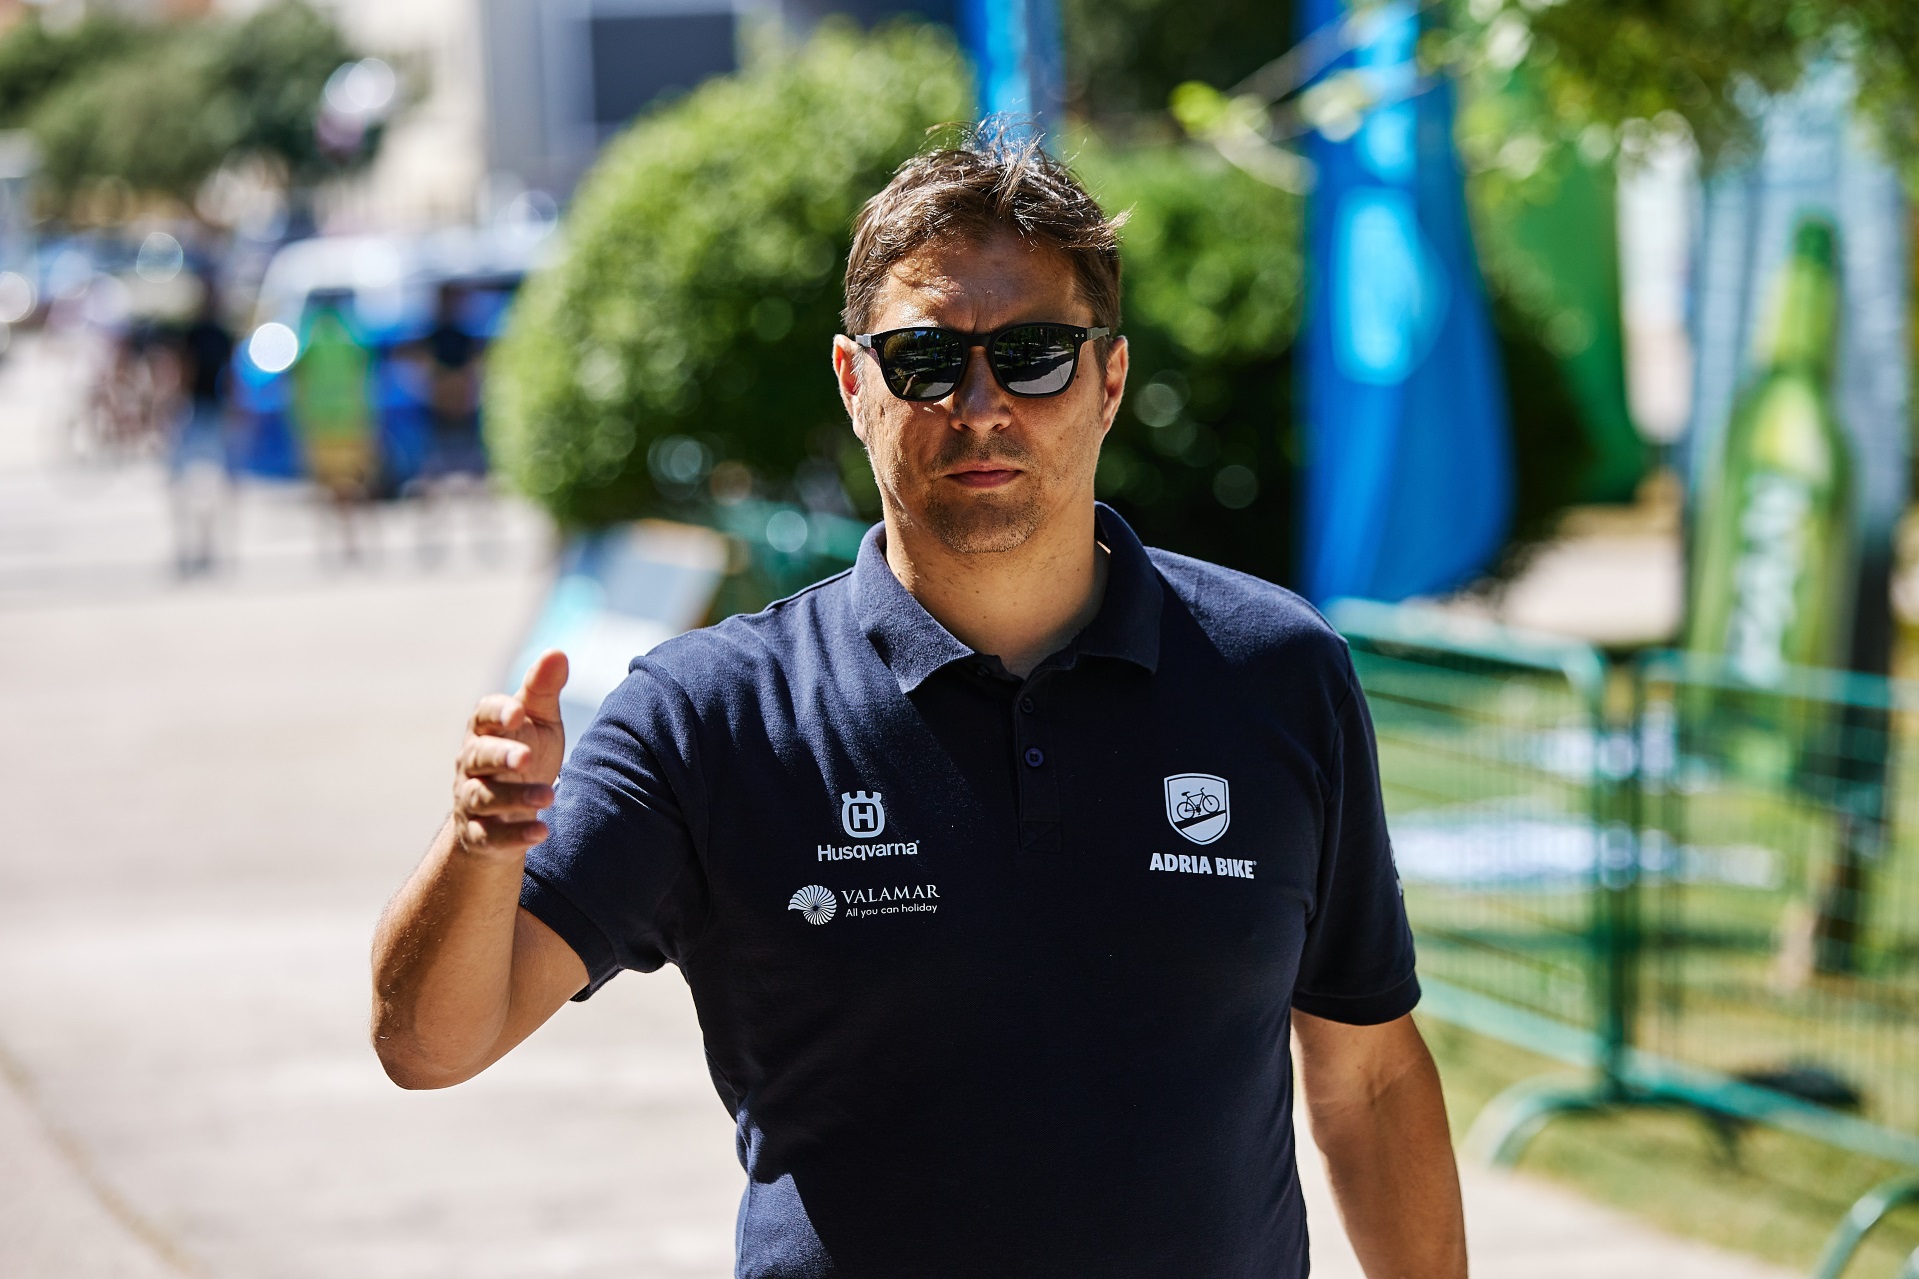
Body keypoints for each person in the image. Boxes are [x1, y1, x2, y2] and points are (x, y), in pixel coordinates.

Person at [372, 132, 1468, 1279]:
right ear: (855, 384)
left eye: (1034, 355)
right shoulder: (709, 715)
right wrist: (477, 846)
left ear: (1108, 382)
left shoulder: (1275, 672)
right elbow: (427, 1045)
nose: (980, 404)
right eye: (925, 359)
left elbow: (1368, 1075)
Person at [289, 290, 377, 563]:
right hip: (349, 420)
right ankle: (352, 541)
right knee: (352, 485)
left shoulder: (309, 335)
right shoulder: (350, 333)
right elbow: (365, 373)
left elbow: (295, 375)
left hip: (320, 422)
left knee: (324, 487)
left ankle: (326, 544)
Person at [168, 281, 235, 575]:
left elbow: (226, 375)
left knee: (208, 481)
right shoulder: (199, 333)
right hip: (198, 409)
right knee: (188, 481)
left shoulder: (218, 333)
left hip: (208, 410)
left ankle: (204, 544)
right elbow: (186, 369)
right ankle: (194, 543)